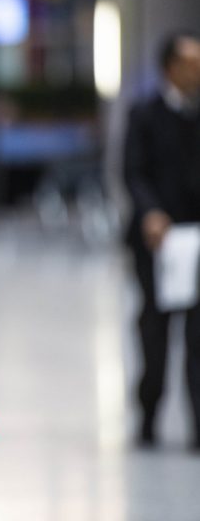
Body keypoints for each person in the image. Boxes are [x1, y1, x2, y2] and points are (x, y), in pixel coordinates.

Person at [123, 30, 200, 449]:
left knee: (198, 337)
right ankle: (148, 417)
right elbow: (132, 171)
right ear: (171, 67)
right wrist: (151, 212)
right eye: (191, 63)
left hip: (196, 238)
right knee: (155, 332)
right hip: (157, 243)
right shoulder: (145, 114)